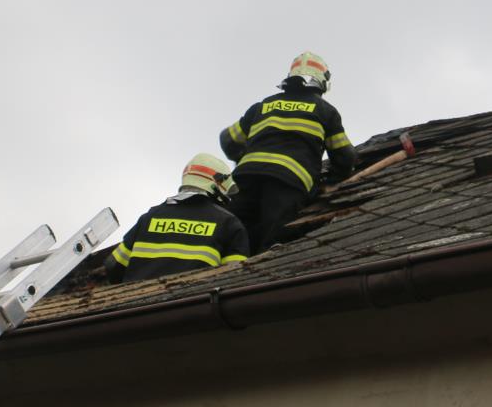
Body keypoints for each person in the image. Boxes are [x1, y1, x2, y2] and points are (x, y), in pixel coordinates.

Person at [219, 51, 357, 253]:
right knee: (271, 246)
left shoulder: (262, 106)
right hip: (288, 183)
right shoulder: (325, 111)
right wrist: (333, 179)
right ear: (323, 81)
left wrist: (244, 159)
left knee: (233, 236)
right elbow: (344, 156)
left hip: (245, 179)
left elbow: (228, 140)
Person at [106, 154, 251, 283]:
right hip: (193, 303)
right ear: (217, 184)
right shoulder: (229, 223)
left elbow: (113, 265)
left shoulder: (150, 217)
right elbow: (236, 277)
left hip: (138, 303)